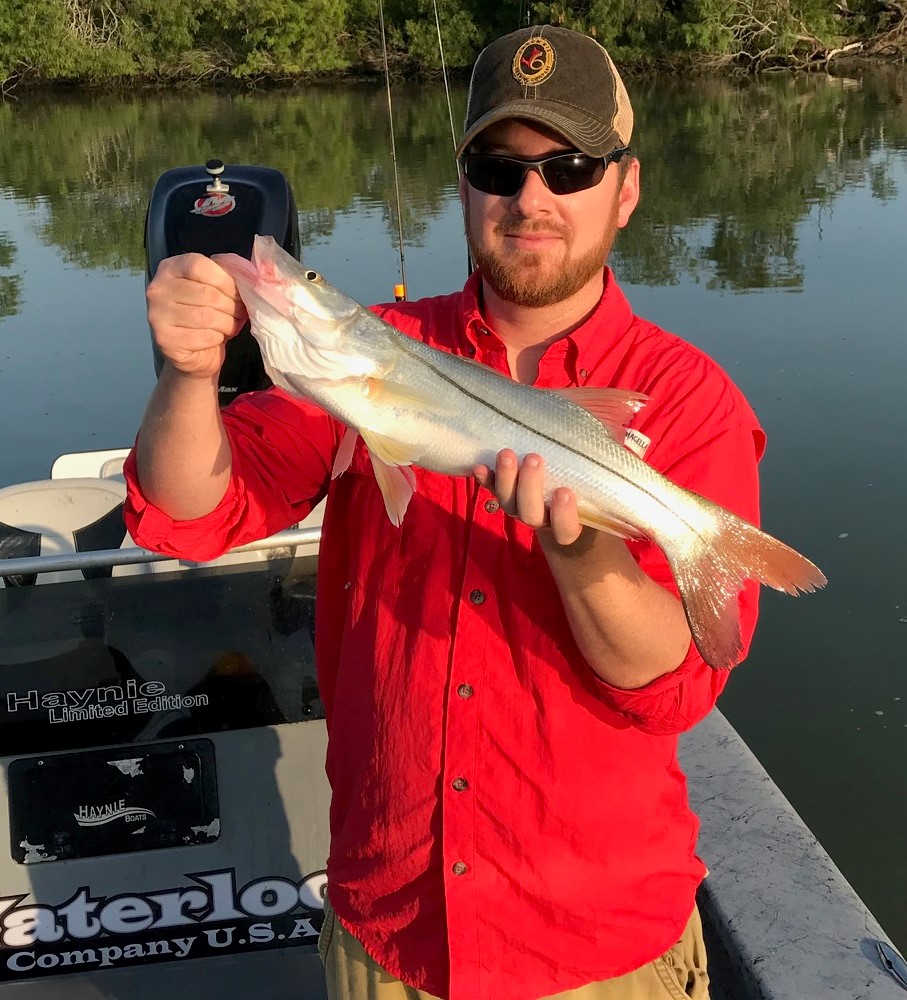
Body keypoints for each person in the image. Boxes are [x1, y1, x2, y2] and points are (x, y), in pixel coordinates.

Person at [124, 24, 765, 1000]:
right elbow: (193, 513)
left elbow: (673, 685)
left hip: (596, 954)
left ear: (625, 189)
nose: (531, 198)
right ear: (463, 185)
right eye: (498, 167)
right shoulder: (368, 354)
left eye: (570, 166)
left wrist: (580, 548)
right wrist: (187, 372)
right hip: (390, 939)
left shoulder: (685, 398)